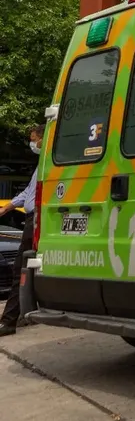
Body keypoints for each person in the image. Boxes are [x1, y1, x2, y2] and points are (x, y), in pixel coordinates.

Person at [0, 124, 43, 338]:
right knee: (29, 269)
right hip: (32, 219)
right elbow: (28, 192)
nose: (32, 143)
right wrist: (6, 208)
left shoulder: (50, 164)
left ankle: (8, 321)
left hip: (37, 220)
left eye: (33, 139)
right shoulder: (42, 164)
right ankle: (23, 314)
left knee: (21, 268)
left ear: (42, 139)